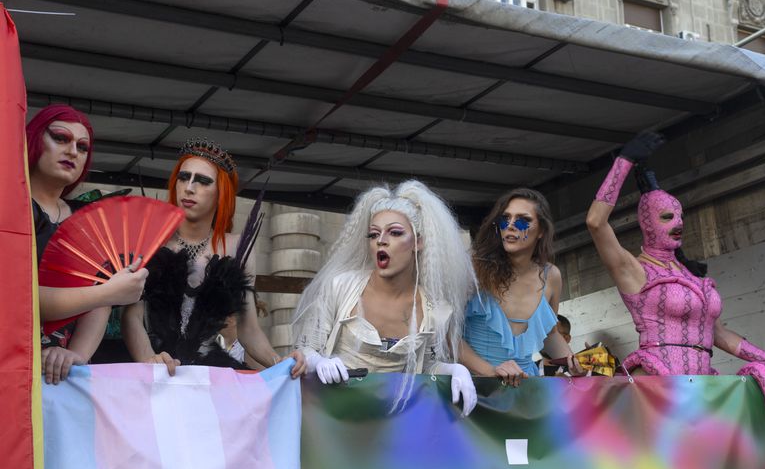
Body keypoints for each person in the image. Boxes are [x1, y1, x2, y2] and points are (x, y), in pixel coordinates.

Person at [585, 132, 765, 374]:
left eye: (680, 217)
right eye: (667, 217)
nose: (678, 223)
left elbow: (719, 334)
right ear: (647, 223)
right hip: (655, 385)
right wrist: (624, 161)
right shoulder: (634, 270)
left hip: (700, 386)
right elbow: (596, 222)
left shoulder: (691, 275)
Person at [121, 138, 305, 376]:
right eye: (183, 177)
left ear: (222, 193)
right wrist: (149, 361)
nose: (189, 187)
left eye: (203, 181)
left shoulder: (239, 247)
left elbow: (248, 329)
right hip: (154, 370)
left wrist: (279, 362)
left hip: (212, 375)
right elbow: (132, 316)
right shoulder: (149, 240)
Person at [292, 180, 477, 416]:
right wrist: (318, 362)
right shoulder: (340, 286)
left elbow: (426, 367)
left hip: (392, 425)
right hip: (334, 418)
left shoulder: (436, 310)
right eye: (373, 234)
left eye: (395, 232)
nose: (381, 240)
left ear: (418, 242)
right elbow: (303, 350)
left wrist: (456, 370)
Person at [28, 105, 148, 384]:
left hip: (66, 374)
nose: (72, 151)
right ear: (34, 139)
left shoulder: (88, 219)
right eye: (60, 138)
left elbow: (99, 290)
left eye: (82, 147)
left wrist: (76, 355)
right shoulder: (11, 205)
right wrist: (109, 292)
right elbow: (18, 296)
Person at [459, 189, 583, 387]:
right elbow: (446, 335)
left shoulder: (551, 276)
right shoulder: (472, 269)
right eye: (505, 218)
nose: (510, 226)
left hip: (525, 391)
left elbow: (550, 335)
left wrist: (575, 363)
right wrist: (490, 371)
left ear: (541, 231)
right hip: (476, 389)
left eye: (522, 220)